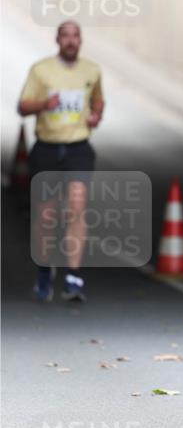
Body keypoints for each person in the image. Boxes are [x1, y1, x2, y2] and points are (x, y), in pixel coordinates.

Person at [18, 21, 104, 302]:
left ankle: (72, 276)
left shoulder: (91, 70)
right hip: (47, 148)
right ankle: (44, 272)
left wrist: (96, 116)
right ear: (57, 39)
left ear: (80, 40)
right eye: (65, 36)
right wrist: (44, 105)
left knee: (76, 209)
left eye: (75, 36)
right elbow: (22, 106)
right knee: (46, 215)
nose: (70, 41)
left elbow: (98, 102)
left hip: (78, 148)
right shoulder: (41, 70)